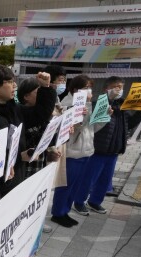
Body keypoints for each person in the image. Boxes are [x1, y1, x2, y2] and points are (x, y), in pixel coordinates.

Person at [0, 65, 57, 194]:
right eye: (10, 82)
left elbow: (40, 115)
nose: (15, 86)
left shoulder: (14, 108)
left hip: (16, 176)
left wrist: (45, 88)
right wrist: (19, 157)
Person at [73, 76, 141, 215]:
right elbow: (95, 117)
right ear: (106, 88)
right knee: (88, 179)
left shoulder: (123, 105)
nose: (119, 90)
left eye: (121, 87)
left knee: (105, 181)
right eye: (116, 87)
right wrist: (108, 98)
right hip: (98, 150)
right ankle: (78, 202)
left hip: (114, 150)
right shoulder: (97, 102)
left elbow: (129, 124)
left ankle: (95, 202)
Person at [51, 75, 96, 227]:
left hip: (86, 150)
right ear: (76, 90)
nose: (89, 91)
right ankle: (58, 213)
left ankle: (65, 211)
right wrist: (82, 115)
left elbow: (93, 128)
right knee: (65, 185)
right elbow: (73, 130)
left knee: (75, 185)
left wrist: (103, 117)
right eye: (85, 88)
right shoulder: (68, 104)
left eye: (90, 87)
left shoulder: (88, 104)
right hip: (72, 151)